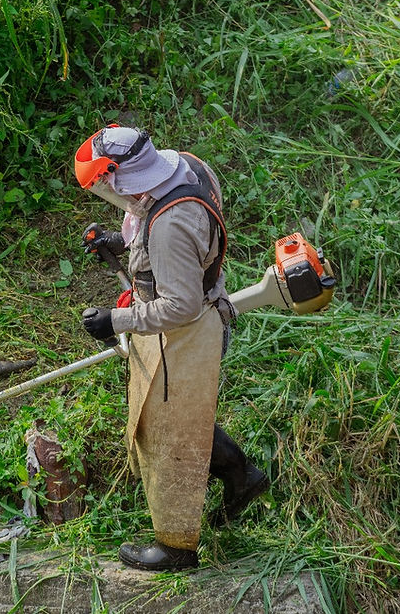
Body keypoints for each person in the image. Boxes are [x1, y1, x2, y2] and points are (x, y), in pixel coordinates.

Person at [74, 125, 270, 571]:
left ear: (123, 177)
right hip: (202, 309)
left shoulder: (170, 227)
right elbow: (168, 233)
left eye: (106, 184)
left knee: (169, 437)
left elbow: (178, 305)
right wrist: (120, 242)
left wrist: (115, 319)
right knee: (188, 419)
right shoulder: (187, 166)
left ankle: (177, 547)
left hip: (184, 332)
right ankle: (243, 477)